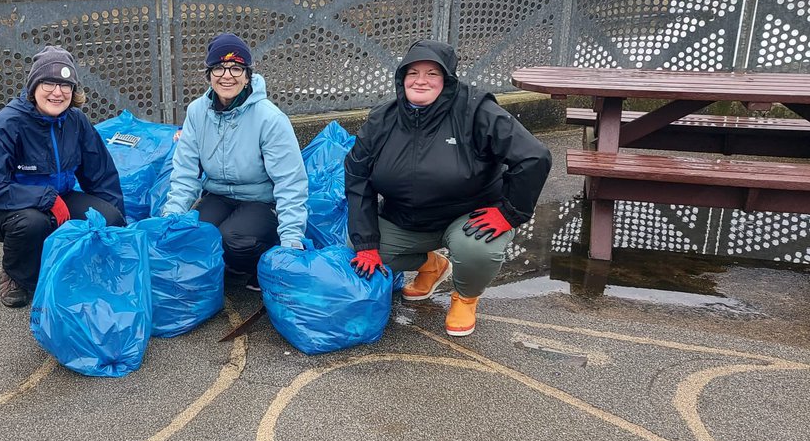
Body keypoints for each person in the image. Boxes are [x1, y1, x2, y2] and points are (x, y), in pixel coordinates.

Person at [344, 39, 551, 337]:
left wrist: (509, 212)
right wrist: (366, 244)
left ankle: (466, 297)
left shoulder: (477, 110)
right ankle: (432, 265)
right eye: (412, 72)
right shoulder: (382, 118)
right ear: (401, 78)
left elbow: (535, 157)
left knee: (476, 249)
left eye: (432, 73)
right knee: (357, 247)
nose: (421, 80)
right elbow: (356, 175)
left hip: (468, 216)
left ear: (448, 79)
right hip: (406, 219)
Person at [0, 46, 125, 308]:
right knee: (32, 224)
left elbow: (101, 175)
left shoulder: (76, 121)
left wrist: (119, 226)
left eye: (66, 85)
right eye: (49, 83)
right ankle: (15, 274)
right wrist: (47, 198)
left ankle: (76, 261)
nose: (57, 92)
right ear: (34, 86)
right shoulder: (6, 124)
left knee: (109, 218)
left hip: (55, 196)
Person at [162, 32, 309, 288]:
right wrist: (170, 218)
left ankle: (260, 265)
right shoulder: (197, 111)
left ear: (248, 75)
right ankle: (228, 263)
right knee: (194, 235)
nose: (227, 75)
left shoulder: (270, 119)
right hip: (218, 195)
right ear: (208, 74)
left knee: (232, 239)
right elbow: (185, 171)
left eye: (236, 68)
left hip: (262, 200)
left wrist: (291, 240)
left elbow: (291, 182)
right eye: (218, 67)